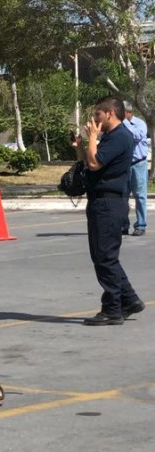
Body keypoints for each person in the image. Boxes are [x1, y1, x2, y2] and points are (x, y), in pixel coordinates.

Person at [72, 97, 145, 325]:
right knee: (103, 257)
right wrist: (81, 147)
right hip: (101, 201)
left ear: (110, 113)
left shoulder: (120, 136)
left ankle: (112, 308)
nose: (94, 120)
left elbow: (95, 164)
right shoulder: (111, 137)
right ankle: (130, 300)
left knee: (105, 258)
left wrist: (93, 137)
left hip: (109, 203)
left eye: (98, 115)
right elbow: (89, 164)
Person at [122, 101, 148, 236]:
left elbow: (136, 136)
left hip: (138, 164)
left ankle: (141, 225)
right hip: (123, 165)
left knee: (140, 196)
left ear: (128, 113)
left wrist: (124, 123)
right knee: (122, 196)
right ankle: (123, 225)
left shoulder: (140, 124)